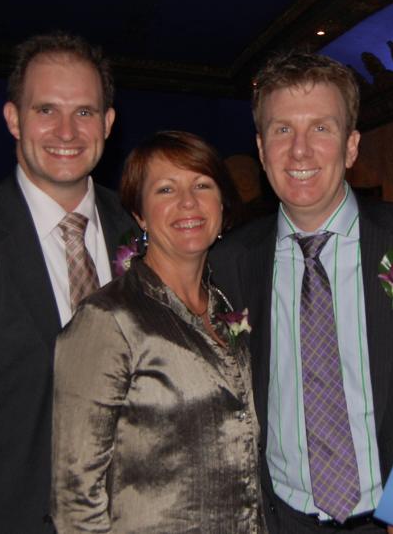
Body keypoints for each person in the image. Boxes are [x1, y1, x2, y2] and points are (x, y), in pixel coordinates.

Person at [209, 51, 393, 533]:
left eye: (321, 128)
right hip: (283, 518)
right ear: (260, 148)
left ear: (352, 146)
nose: (300, 151)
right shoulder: (227, 263)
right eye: (282, 130)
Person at [0, 32, 133, 533]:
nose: (66, 131)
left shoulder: (141, 234)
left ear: (108, 122)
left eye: (84, 112)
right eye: (45, 110)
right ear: (13, 119)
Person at [51, 131, 265, 533]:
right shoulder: (108, 318)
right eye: (166, 189)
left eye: (202, 185)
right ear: (140, 214)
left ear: (222, 204)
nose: (188, 202)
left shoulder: (228, 310)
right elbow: (75, 499)